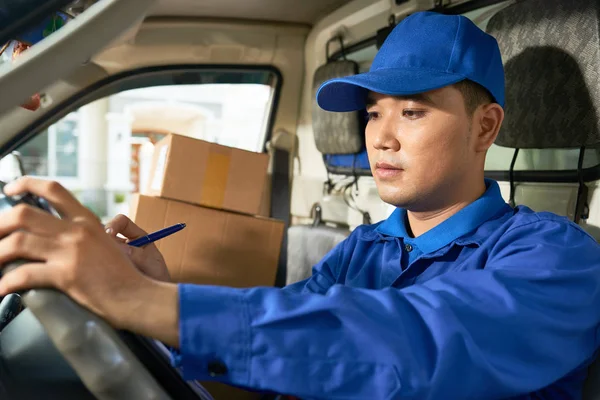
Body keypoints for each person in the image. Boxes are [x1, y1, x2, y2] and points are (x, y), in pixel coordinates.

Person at [0, 10, 599, 400]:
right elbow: (290, 326)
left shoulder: (558, 258)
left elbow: (417, 345)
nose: (379, 138)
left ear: (485, 126)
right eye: (372, 113)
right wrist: (161, 287)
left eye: (411, 111)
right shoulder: (366, 247)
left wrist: (148, 303)